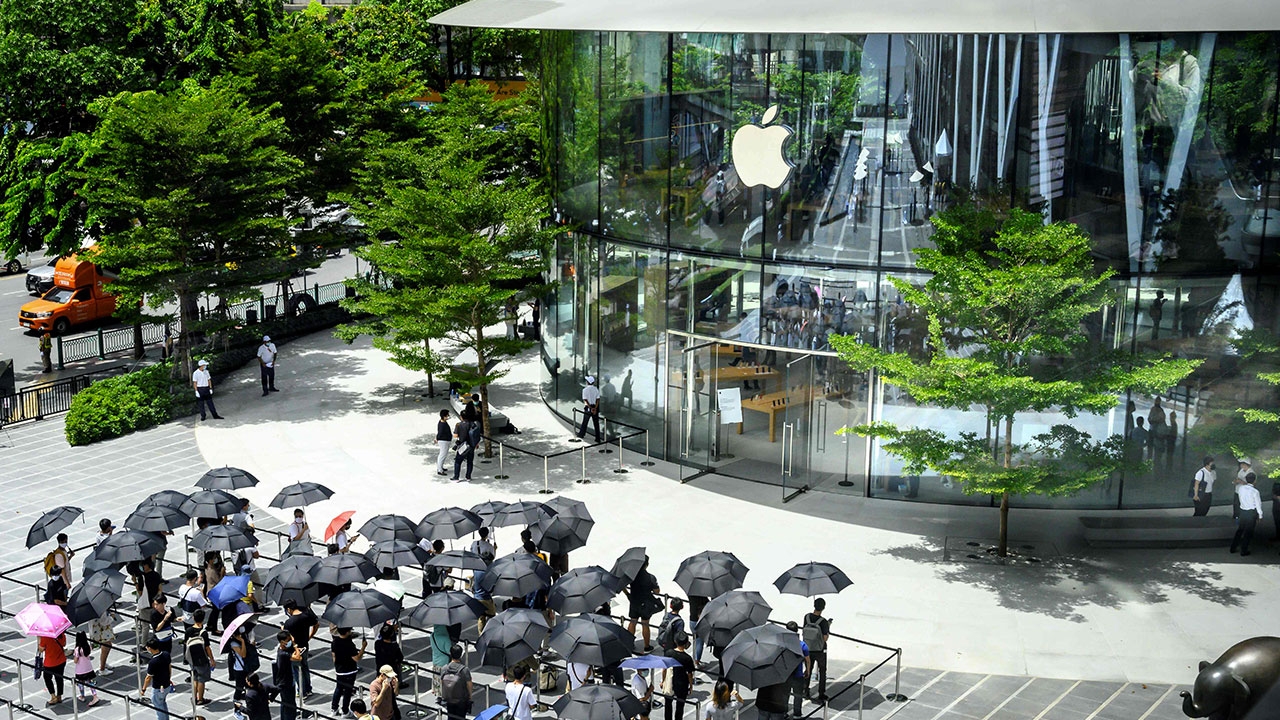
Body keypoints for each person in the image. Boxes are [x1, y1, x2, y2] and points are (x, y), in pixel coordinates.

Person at [282, 598, 318, 696]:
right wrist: (310, 636)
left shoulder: (289, 622)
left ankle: (302, 691)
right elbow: (316, 624)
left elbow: (287, 637)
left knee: (297, 670)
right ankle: (308, 688)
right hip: (305, 645)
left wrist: (283, 629)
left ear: (289, 609)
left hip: (295, 649)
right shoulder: (306, 615)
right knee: (305, 667)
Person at [626, 556, 661, 651]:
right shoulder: (651, 577)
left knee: (632, 622)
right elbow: (657, 591)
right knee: (645, 624)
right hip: (645, 603)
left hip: (634, 601)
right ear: (647, 565)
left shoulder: (632, 576)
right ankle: (646, 646)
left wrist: (627, 594)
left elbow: (622, 585)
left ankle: (629, 644)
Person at [330, 626, 366, 715]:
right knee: (348, 691)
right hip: (350, 670)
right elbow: (357, 658)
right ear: (346, 632)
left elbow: (334, 656)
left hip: (339, 670)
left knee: (338, 688)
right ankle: (345, 711)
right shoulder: (349, 644)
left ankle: (334, 708)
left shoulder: (335, 642)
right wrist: (363, 648)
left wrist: (337, 666)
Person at [802, 598, 831, 701]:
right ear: (823, 607)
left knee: (808, 669)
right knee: (822, 671)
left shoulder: (807, 617)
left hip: (808, 648)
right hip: (820, 650)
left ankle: (805, 690)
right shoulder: (823, 622)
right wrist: (828, 628)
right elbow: (825, 638)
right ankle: (821, 693)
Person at [185, 609, 215, 705]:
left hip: (192, 659)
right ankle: (200, 699)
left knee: (195, 678)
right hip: (202, 659)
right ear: (203, 620)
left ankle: (194, 697)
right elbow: (207, 648)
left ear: (193, 617)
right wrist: (212, 659)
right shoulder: (203, 633)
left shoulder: (188, 630)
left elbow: (186, 644)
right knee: (201, 680)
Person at [140, 639, 175, 720]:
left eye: (147, 647)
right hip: (166, 685)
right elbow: (169, 667)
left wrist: (143, 689)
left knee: (158, 706)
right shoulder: (166, 654)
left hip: (158, 688)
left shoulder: (153, 662)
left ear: (150, 648)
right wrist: (168, 678)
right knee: (162, 703)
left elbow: (148, 677)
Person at [1232, 472, 1263, 556]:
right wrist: (1260, 515)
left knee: (1240, 529)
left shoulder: (1241, 488)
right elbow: (1258, 504)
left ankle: (1233, 547)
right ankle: (1244, 550)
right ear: (1255, 480)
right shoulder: (1255, 492)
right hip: (1251, 512)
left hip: (1243, 511)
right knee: (1248, 532)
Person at [440, 642, 473, 720]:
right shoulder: (464, 670)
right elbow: (469, 684)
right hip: (461, 700)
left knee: (451, 717)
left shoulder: (445, 668)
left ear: (450, 654)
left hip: (449, 698)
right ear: (461, 655)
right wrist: (470, 696)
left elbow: (442, 682)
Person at [665, 634, 695, 720]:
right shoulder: (687, 658)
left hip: (670, 680)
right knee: (680, 705)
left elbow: (664, 669)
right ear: (686, 643)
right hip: (682, 683)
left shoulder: (669, 653)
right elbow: (690, 674)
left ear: (675, 641)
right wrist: (691, 685)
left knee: (668, 704)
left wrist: (663, 680)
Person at [273, 631, 301, 720]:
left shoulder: (283, 650)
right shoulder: (283, 654)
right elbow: (298, 657)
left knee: (285, 703)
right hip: (285, 683)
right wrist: (295, 645)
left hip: (287, 680)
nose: (290, 641)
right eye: (288, 640)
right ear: (282, 642)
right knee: (290, 704)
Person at [785, 621, 810, 717]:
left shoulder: (784, 643)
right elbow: (807, 660)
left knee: (785, 695)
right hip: (798, 675)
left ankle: (784, 713)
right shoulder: (803, 645)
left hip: (786, 674)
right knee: (798, 696)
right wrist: (807, 670)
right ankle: (797, 714)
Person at [89, 603, 118, 674]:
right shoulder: (99, 606)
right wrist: (112, 617)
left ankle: (103, 663)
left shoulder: (92, 604)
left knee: (106, 645)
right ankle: (102, 668)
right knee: (107, 645)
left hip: (97, 628)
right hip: (101, 630)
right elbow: (104, 621)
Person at [72, 632, 100, 706]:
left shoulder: (77, 649)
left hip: (80, 670)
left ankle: (82, 696)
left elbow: (75, 661)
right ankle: (95, 696)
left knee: (80, 683)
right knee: (90, 682)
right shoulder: (88, 647)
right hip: (89, 668)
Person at [40, 631, 67, 705]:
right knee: (59, 678)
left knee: (47, 678)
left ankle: (53, 696)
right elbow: (64, 644)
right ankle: (59, 696)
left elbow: (41, 649)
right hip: (61, 660)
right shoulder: (61, 633)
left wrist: (40, 641)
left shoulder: (45, 636)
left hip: (50, 663)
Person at [576, 375, 601, 442]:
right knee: (596, 423)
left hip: (588, 407)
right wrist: (595, 408)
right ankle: (598, 438)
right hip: (595, 406)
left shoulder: (585, 390)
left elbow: (585, 400)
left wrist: (590, 408)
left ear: (587, 382)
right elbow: (598, 399)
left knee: (585, 422)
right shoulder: (596, 389)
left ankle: (581, 434)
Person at [452, 416, 476, 483]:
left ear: (461, 417)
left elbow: (455, 435)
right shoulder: (472, 424)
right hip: (471, 445)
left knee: (458, 462)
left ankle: (456, 477)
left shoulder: (458, 425)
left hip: (462, 446)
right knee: (470, 462)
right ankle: (468, 477)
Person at [436, 410, 454, 477]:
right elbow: (440, 433)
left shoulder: (443, 422)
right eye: (447, 415)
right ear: (444, 416)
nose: (448, 416)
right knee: (442, 455)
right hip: (444, 441)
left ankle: (440, 467)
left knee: (443, 455)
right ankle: (440, 470)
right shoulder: (442, 425)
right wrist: (437, 438)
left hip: (446, 441)